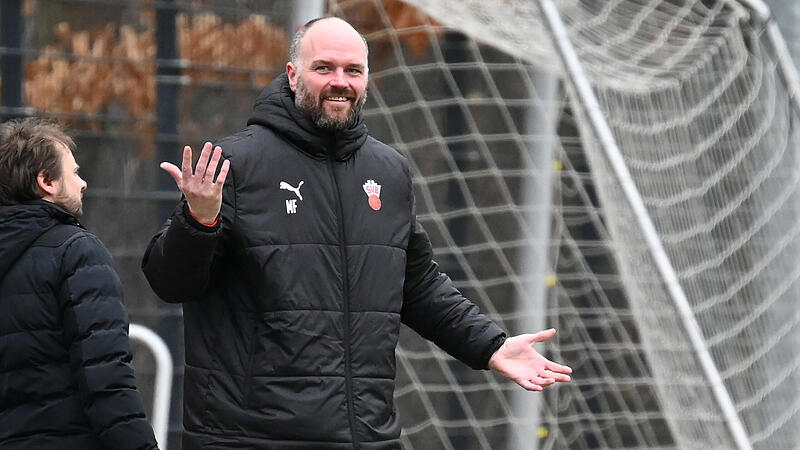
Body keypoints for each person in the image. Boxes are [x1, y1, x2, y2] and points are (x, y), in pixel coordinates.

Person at [142, 17, 571, 449]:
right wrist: (198, 222)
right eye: (324, 68)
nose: (339, 82)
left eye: (353, 70)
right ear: (293, 75)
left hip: (367, 436)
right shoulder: (236, 164)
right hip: (252, 438)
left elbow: (417, 285)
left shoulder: (388, 171)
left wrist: (491, 347)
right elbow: (170, 281)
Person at [0, 118, 159, 450]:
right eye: (74, 173)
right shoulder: (76, 251)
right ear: (46, 181)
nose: (83, 183)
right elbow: (106, 378)